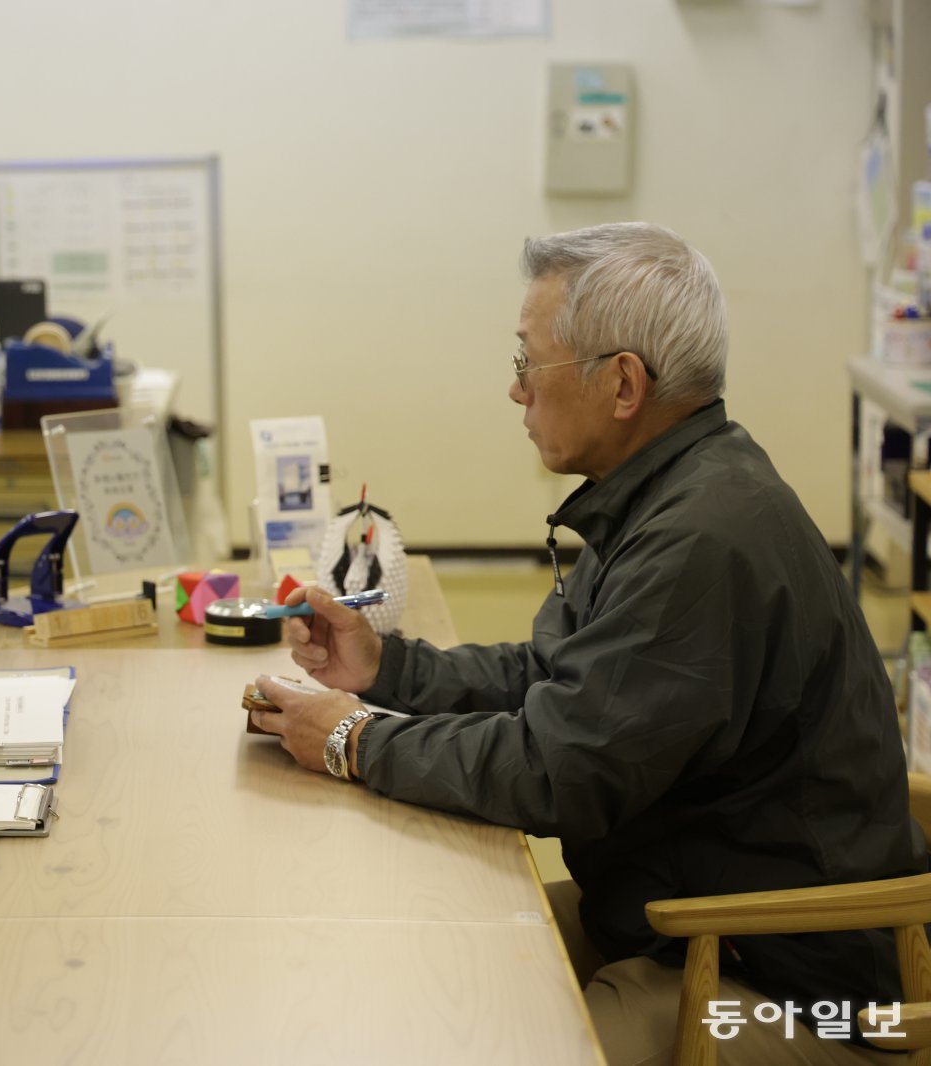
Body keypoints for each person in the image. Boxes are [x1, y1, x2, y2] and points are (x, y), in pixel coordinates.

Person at [249, 222, 922, 1065]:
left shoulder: (703, 538)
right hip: (684, 916)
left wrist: (354, 738)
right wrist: (387, 669)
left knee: (501, 1034)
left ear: (624, 384)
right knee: (434, 963)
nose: (515, 390)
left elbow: (556, 770)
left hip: (799, 995)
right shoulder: (672, 490)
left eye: (529, 362)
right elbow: (555, 681)